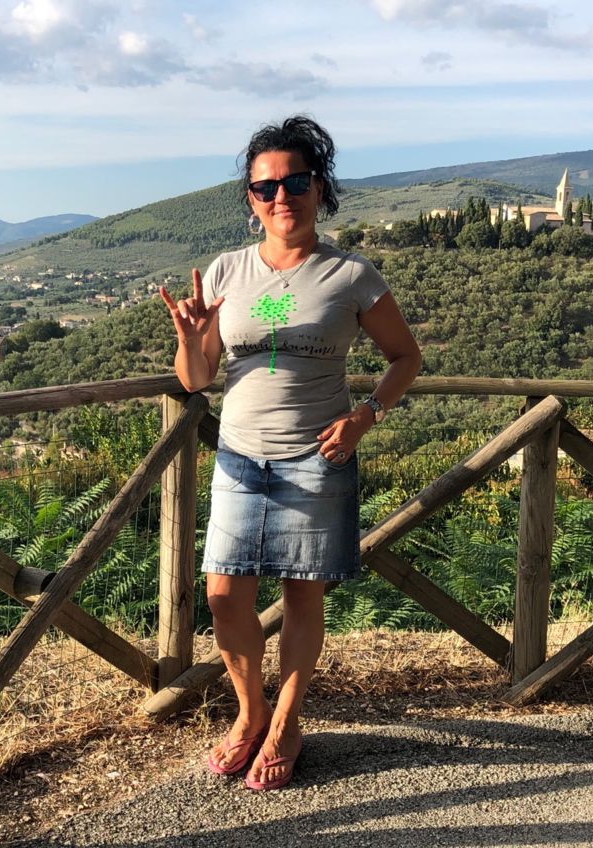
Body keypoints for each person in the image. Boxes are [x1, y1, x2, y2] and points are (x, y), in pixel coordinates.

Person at [160, 115, 422, 791]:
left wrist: (366, 416)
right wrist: (190, 338)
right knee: (224, 596)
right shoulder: (227, 270)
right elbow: (196, 379)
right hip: (239, 458)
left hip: (318, 457)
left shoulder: (351, 273)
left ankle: (286, 723)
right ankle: (250, 713)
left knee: (303, 596)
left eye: (296, 181)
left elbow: (405, 357)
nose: (282, 196)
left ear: (319, 188)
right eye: (266, 186)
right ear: (251, 199)